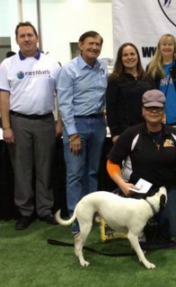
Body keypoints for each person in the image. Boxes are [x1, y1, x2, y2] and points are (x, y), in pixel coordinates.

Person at [106, 90, 176, 241]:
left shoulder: (175, 135)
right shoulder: (131, 134)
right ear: (143, 110)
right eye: (150, 108)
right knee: (137, 231)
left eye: (158, 108)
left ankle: (155, 222)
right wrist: (122, 184)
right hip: (137, 190)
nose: (154, 112)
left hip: (165, 189)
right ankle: (120, 196)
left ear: (163, 110)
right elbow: (112, 163)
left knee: (175, 232)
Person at [0, 22, 62, 230]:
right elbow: (3, 97)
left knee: (45, 168)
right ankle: (25, 212)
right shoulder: (8, 64)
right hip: (19, 121)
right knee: (22, 170)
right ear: (17, 40)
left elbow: (62, 96)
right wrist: (6, 126)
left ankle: (44, 209)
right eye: (22, 36)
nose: (26, 39)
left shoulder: (52, 64)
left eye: (30, 35)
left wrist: (60, 121)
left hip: (45, 122)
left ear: (37, 37)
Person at [58, 31, 108, 234]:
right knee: (75, 174)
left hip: (98, 124)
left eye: (98, 44)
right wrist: (72, 134)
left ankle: (92, 213)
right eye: (90, 43)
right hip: (76, 125)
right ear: (80, 45)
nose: (94, 47)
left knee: (92, 172)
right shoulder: (69, 70)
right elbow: (64, 104)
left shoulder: (103, 67)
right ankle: (76, 218)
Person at [106, 43, 152, 143]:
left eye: (132, 54)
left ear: (137, 56)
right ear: (120, 58)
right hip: (125, 132)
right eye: (125, 55)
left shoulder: (148, 78)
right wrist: (115, 133)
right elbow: (111, 108)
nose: (129, 57)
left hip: (148, 130)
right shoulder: (114, 80)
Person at [146, 34, 176, 125]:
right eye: (164, 44)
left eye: (170, 44)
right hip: (158, 117)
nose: (167, 47)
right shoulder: (151, 67)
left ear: (175, 47)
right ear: (159, 47)